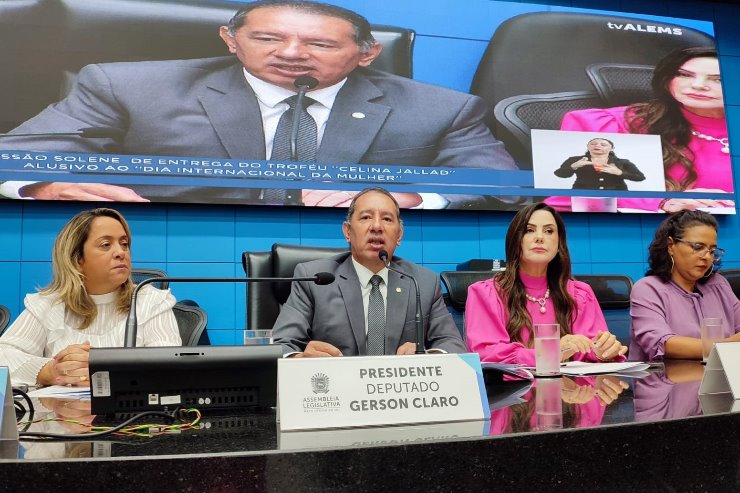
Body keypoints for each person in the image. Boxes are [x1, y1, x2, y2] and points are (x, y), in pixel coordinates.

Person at [0, 1, 516, 209]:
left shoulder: (442, 108)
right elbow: (18, 156)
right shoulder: (128, 87)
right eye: (268, 38)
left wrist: (412, 200)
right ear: (230, 40)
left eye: (318, 45)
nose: (290, 55)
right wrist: (42, 183)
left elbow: (500, 187)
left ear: (367, 54)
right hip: (162, 255)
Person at [272, 187, 466, 356]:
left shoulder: (422, 283)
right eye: (366, 217)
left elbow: (453, 345)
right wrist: (301, 359)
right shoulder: (314, 279)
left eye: (387, 219)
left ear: (399, 235)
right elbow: (282, 344)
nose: (376, 227)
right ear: (347, 232)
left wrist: (428, 355)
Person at [0, 208, 181, 386]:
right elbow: (4, 354)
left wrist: (103, 367)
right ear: (77, 259)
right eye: (106, 245)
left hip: (133, 414)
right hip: (60, 413)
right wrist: (49, 371)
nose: (121, 252)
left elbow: (169, 364)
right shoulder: (49, 304)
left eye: (124, 244)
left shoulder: (152, 301)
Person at [558, 47, 733, 212]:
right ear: (667, 79)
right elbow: (568, 199)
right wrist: (662, 202)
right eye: (684, 75)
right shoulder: (608, 124)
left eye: (718, 79)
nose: (698, 85)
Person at [465, 202, 627, 366]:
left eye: (549, 231)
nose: (540, 237)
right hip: (511, 390)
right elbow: (486, 355)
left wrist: (602, 352)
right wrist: (551, 352)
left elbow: (589, 349)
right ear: (516, 240)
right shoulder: (486, 293)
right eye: (529, 230)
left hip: (575, 389)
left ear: (559, 244)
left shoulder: (580, 294)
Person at [629, 210, 740, 361]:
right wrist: (726, 346)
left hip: (718, 378)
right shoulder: (648, 289)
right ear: (670, 246)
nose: (707, 256)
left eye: (712, 251)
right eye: (698, 247)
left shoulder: (719, 285)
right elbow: (663, 344)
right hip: (663, 381)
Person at [553, 137, 645, 191]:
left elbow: (640, 177)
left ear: (612, 149)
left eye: (603, 145)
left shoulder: (623, 162)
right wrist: (574, 166)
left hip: (617, 194)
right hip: (583, 194)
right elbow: (559, 173)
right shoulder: (575, 159)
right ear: (588, 147)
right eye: (593, 144)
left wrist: (619, 173)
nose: (597, 146)